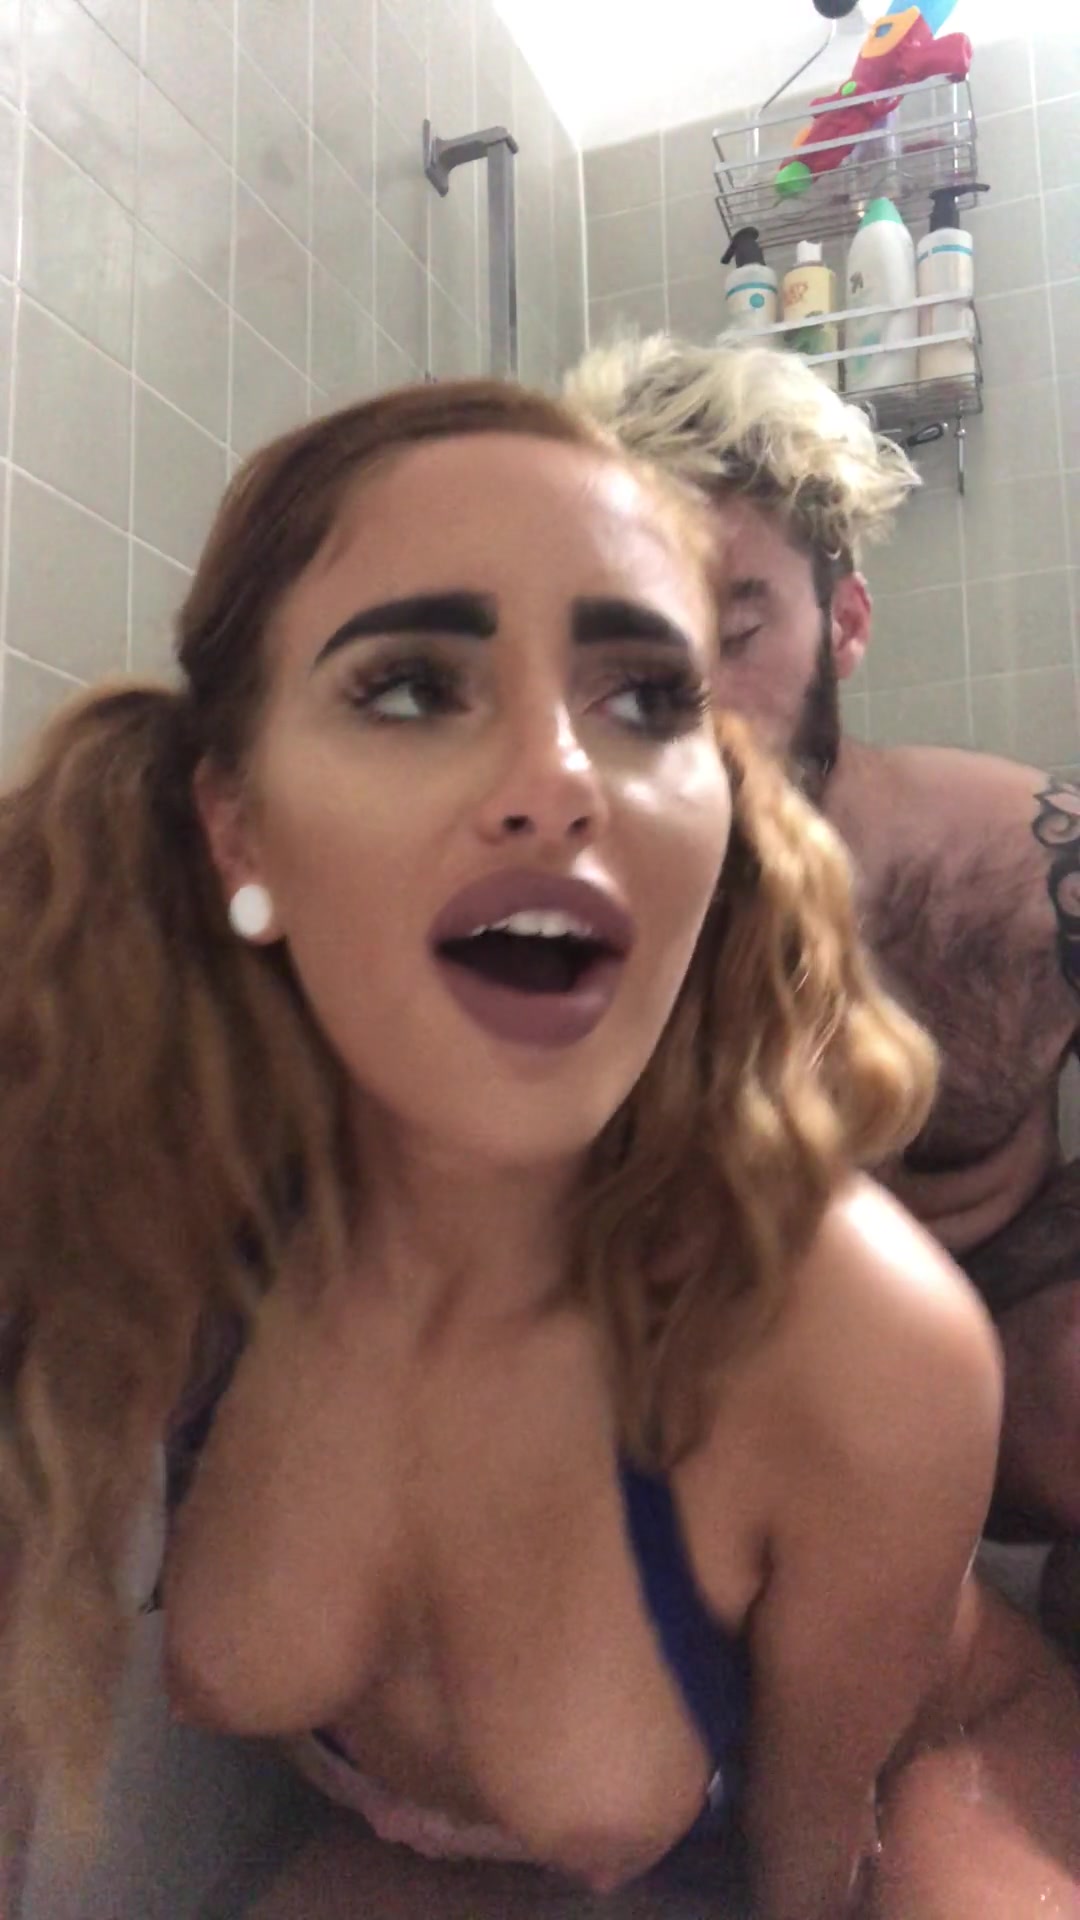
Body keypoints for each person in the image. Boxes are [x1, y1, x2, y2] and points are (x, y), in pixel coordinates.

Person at [0, 380, 1077, 1920]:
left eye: (645, 698)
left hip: (918, 1771)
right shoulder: (148, 1198)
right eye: (411, 688)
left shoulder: (853, 1333)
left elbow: (806, 1875)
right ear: (238, 826)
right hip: (452, 1843)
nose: (563, 777)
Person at [568, 337, 1080, 1583]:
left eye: (734, 633)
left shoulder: (1019, 869)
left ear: (844, 625)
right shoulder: (553, 908)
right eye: (632, 653)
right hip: (721, 1416)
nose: (684, 703)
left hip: (1009, 1376)